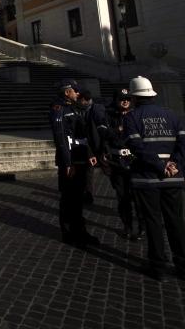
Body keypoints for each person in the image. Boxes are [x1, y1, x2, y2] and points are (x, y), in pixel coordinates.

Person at [124, 76, 185, 281]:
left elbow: (138, 147)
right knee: (176, 221)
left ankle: (158, 266)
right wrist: (174, 164)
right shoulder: (171, 115)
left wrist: (160, 165)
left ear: (134, 97)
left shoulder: (132, 117)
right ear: (152, 94)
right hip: (173, 177)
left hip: (147, 178)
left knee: (153, 222)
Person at [48, 79, 100, 248]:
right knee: (68, 197)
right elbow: (61, 137)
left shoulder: (73, 108)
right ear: (66, 92)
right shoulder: (59, 109)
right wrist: (67, 162)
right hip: (69, 161)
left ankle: (80, 230)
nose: (78, 93)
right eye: (75, 91)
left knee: (78, 197)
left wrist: (90, 154)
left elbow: (81, 135)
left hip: (79, 158)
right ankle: (69, 233)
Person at [101, 88, 144, 240]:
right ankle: (127, 225)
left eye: (128, 99)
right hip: (117, 162)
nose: (125, 101)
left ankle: (141, 226)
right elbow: (105, 134)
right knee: (122, 197)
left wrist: (121, 131)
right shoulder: (109, 114)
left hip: (135, 161)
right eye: (121, 99)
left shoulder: (137, 114)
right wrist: (118, 131)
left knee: (138, 196)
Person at [78, 90, 107, 205]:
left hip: (99, 146)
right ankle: (88, 195)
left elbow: (102, 129)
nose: (79, 102)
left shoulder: (96, 109)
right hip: (90, 146)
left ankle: (123, 191)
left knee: (108, 169)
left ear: (84, 100)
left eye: (80, 100)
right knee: (88, 171)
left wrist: (104, 147)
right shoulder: (85, 110)